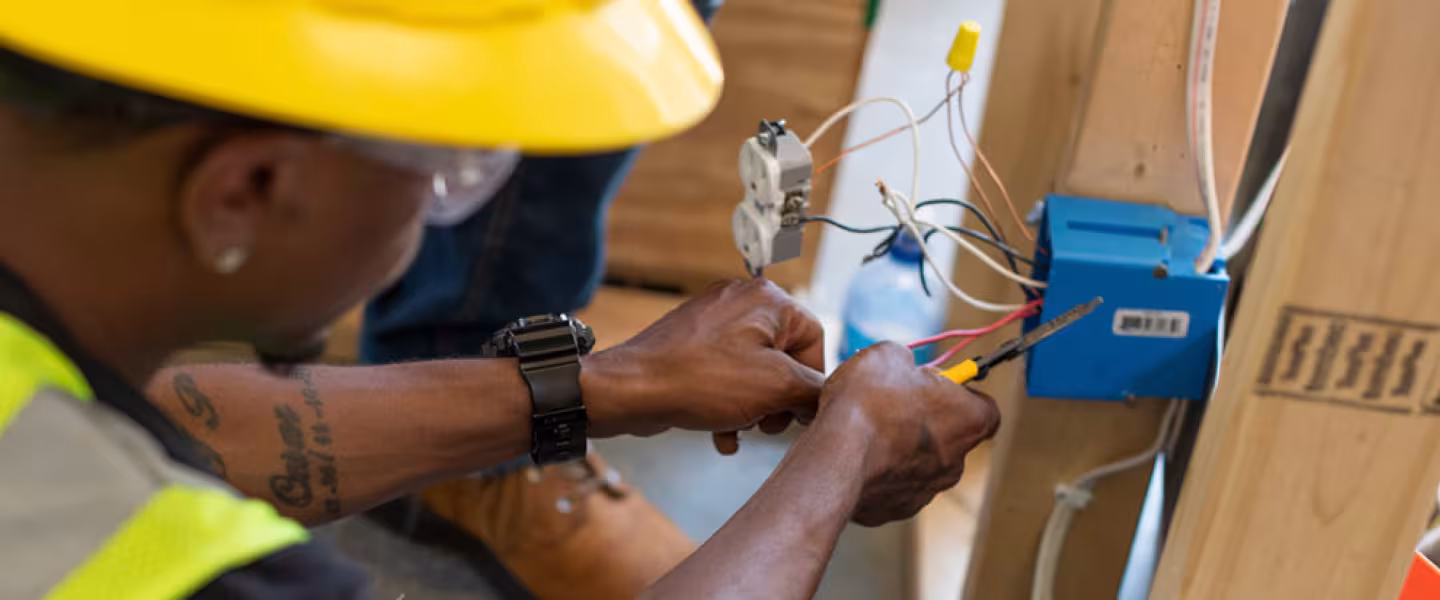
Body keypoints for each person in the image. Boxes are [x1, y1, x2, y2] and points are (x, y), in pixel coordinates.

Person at [0, 3, 999, 600]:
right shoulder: (177, 571)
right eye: (459, 163)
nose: (454, 198)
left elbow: (164, 427)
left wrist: (611, 385)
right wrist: (843, 454)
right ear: (250, 190)